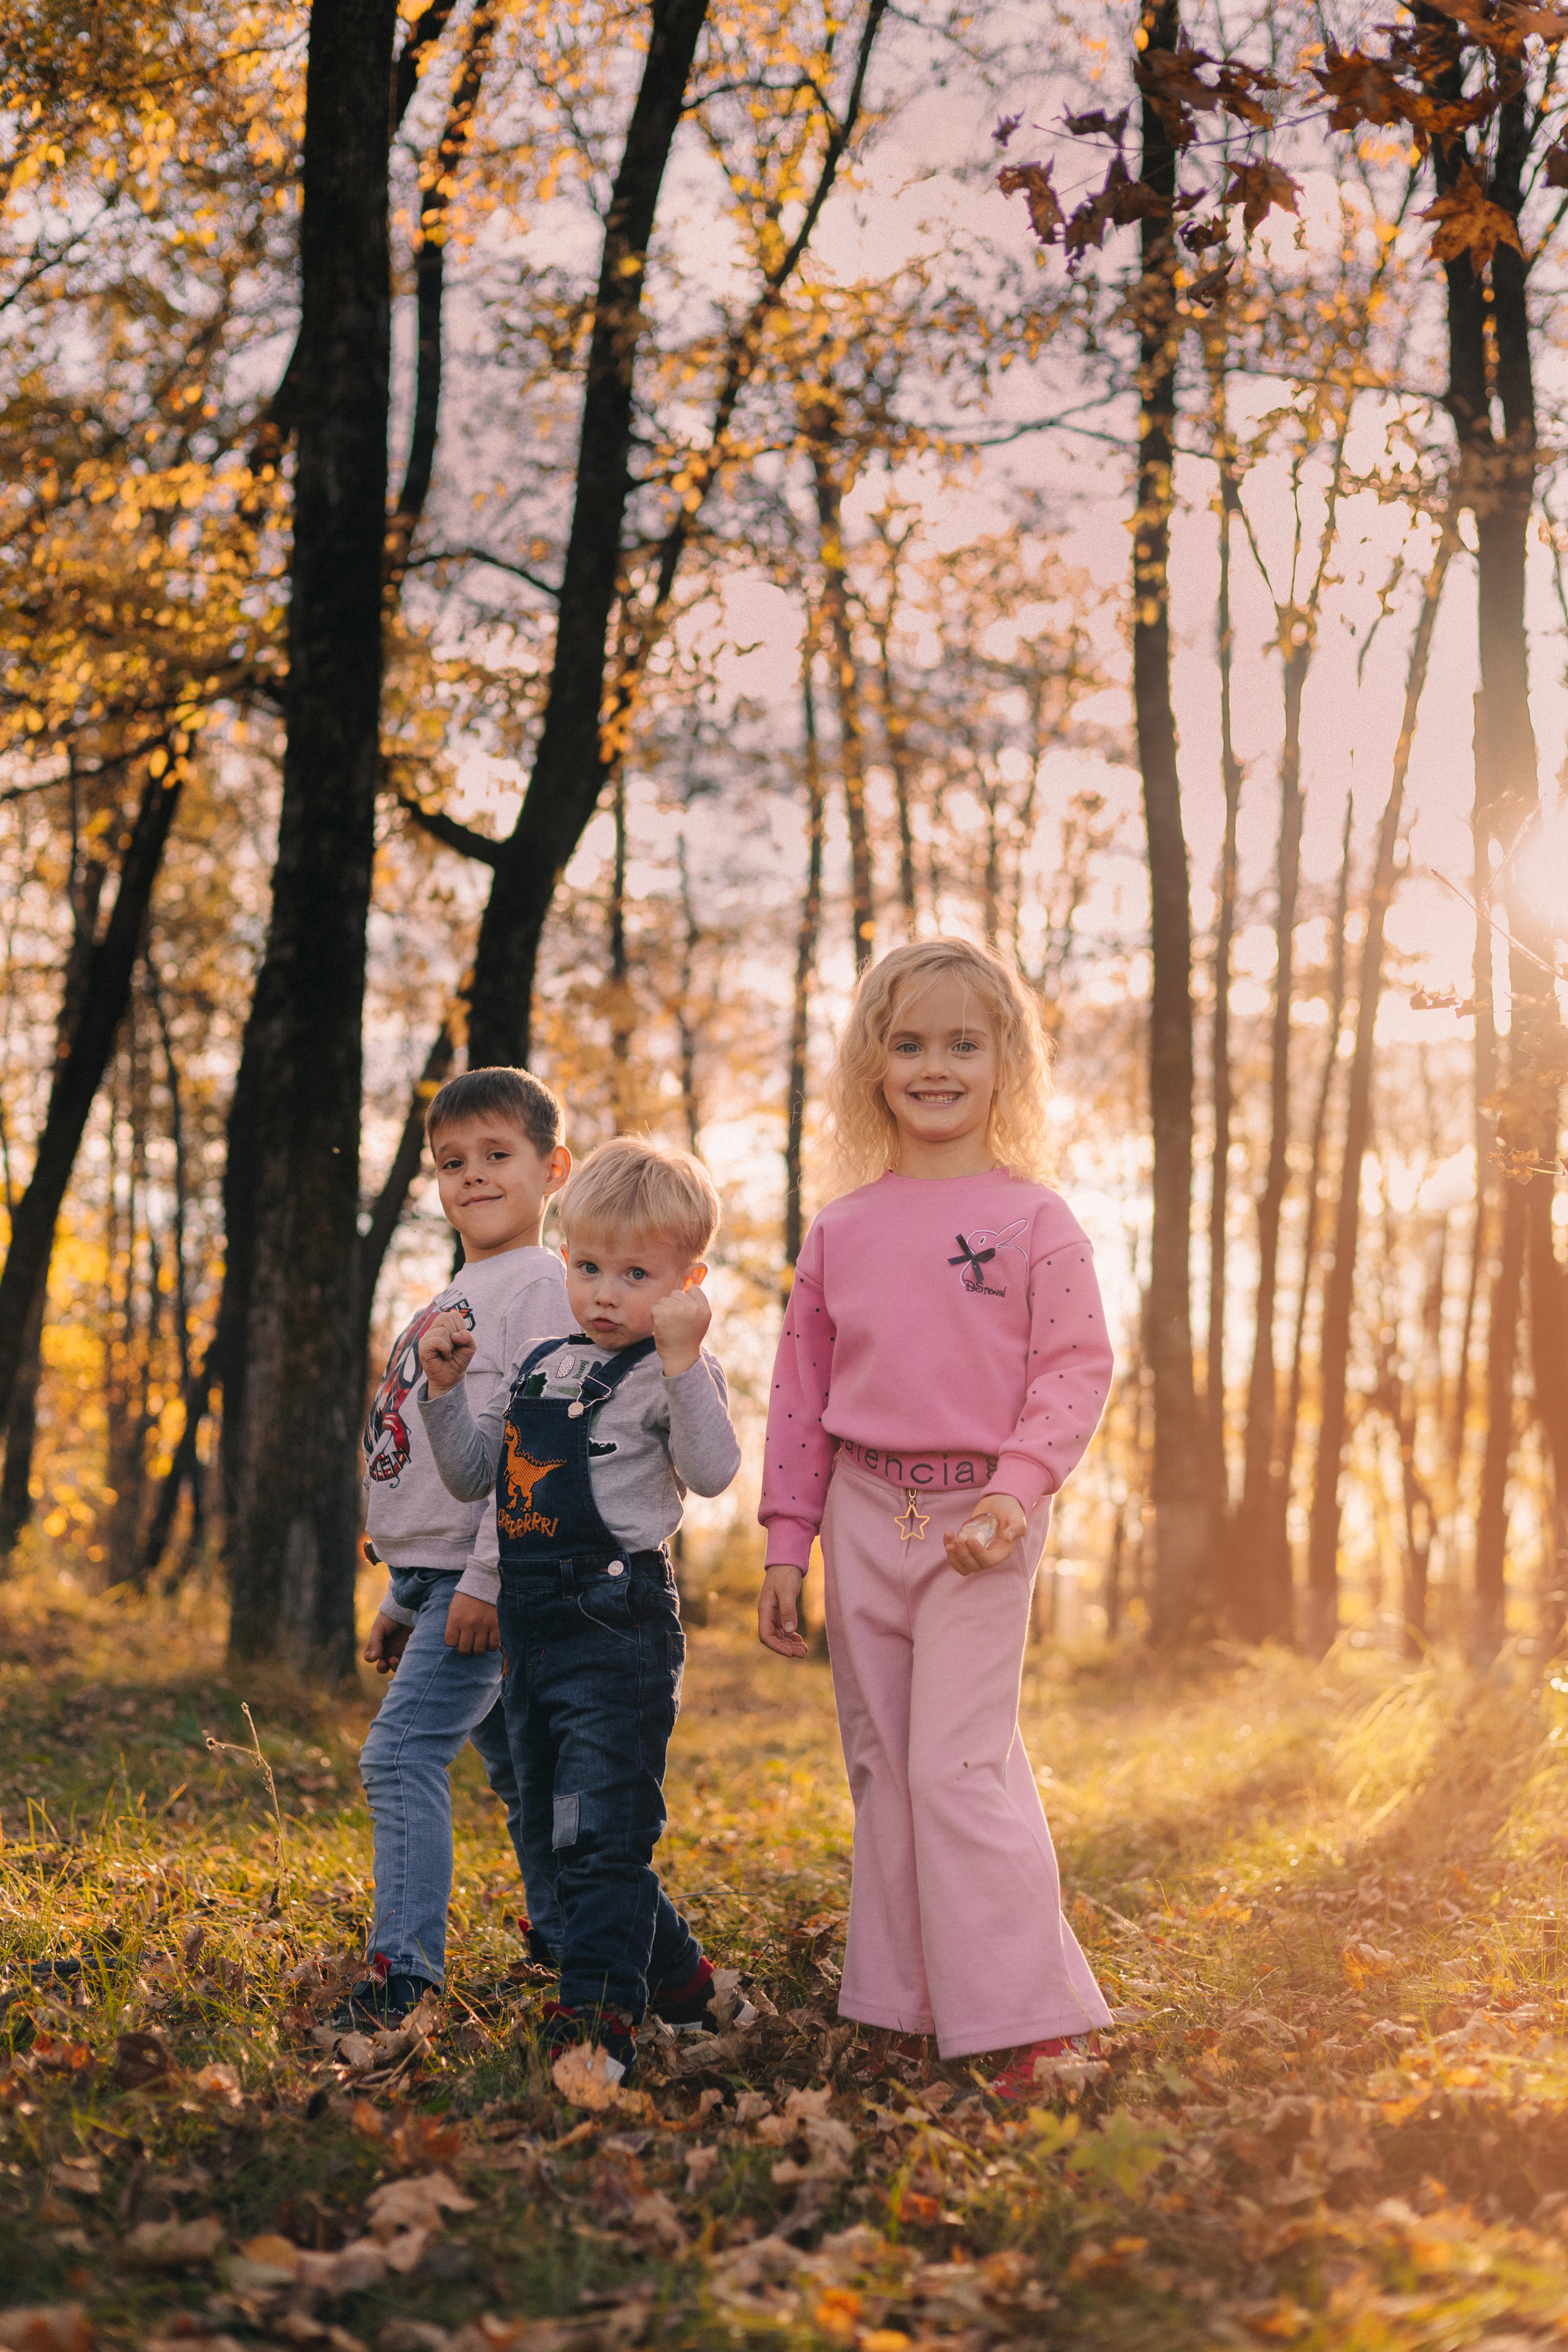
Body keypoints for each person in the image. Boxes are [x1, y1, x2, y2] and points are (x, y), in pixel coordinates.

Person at [756, 937, 1115, 2101]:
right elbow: (800, 1396)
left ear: (1006, 1062)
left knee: (958, 1764)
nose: (936, 1066)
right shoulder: (841, 1230)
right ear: (873, 1065)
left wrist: (1016, 1494)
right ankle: (899, 2005)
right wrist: (785, 1542)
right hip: (864, 1508)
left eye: (964, 1043)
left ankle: (1029, 2023)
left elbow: (1074, 1368)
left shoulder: (1035, 1219)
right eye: (909, 1043)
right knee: (884, 1768)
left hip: (983, 1521)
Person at [418, 1135, 742, 2081]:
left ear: (688, 1281)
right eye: (589, 1266)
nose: (606, 1292)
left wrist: (685, 1360)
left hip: (616, 1624)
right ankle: (682, 1978)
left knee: (603, 1827)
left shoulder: (673, 1368)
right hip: (532, 1627)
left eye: (636, 1274)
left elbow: (716, 1474)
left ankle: (597, 2018)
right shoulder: (544, 1361)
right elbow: (478, 1475)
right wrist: (444, 1392)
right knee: (548, 1825)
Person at [344, 1066, 572, 2027]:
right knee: (520, 1772)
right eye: (451, 1163)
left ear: (552, 1168)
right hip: (438, 1579)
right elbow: (428, 1462)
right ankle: (573, 1936)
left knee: (398, 1758)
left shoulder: (546, 1288)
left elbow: (533, 1451)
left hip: (490, 1578)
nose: (472, 1177)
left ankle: (406, 1976)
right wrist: (405, 1595)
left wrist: (483, 1578)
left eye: (496, 1156)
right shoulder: (454, 1292)